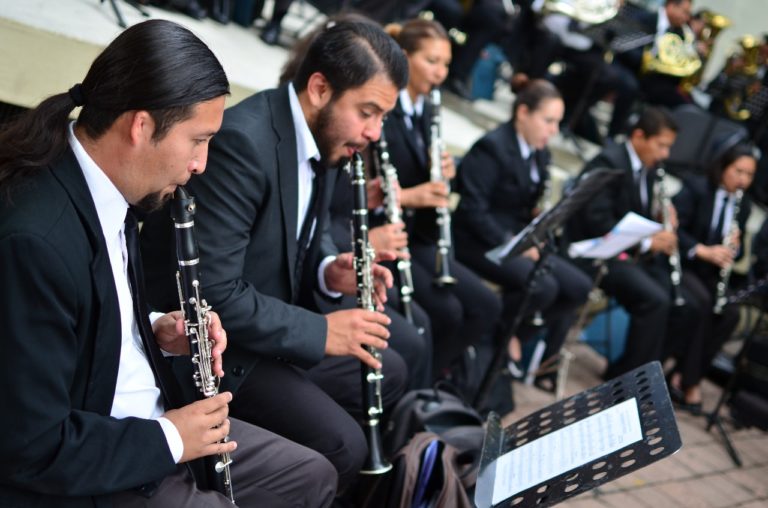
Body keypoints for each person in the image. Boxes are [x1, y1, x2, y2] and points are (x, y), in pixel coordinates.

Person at [0, 19, 335, 507]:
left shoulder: (112, 186)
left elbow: (86, 313)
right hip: (100, 465)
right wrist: (173, 438)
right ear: (140, 127)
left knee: (313, 474)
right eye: (197, 140)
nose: (201, 163)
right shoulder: (36, 242)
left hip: (150, 421)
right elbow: (31, 446)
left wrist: (156, 327)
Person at [140, 19, 409, 493]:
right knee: (344, 447)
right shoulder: (245, 142)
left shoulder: (323, 136)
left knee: (392, 368)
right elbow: (217, 291)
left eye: (383, 117)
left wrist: (330, 269)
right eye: (368, 112)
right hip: (221, 347)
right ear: (321, 88)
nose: (373, 132)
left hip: (269, 320)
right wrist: (321, 330)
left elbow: (308, 227)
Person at [383, 18, 503, 404]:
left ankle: (432, 380)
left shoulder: (425, 110)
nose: (441, 72)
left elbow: (424, 181)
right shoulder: (385, 109)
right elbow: (375, 185)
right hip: (385, 233)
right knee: (447, 312)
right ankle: (414, 395)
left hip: (417, 233)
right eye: (432, 61)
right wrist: (416, 195)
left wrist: (442, 172)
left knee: (486, 304)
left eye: (446, 64)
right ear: (405, 58)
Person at [454, 79, 592, 385]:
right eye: (548, 121)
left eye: (557, 122)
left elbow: (527, 206)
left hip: (515, 237)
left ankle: (511, 332)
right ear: (523, 112)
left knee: (579, 286)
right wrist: (514, 243)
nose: (554, 131)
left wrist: (539, 222)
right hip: (477, 239)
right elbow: (472, 212)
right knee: (543, 287)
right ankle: (499, 339)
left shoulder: (539, 152)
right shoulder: (492, 147)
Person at [565, 107, 689, 380]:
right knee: (654, 300)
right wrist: (648, 243)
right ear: (639, 136)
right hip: (597, 252)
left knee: (683, 303)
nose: (665, 154)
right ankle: (626, 381)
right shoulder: (609, 162)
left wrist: (660, 217)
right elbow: (597, 220)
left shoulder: (648, 168)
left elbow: (637, 214)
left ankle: (640, 374)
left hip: (628, 253)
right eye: (661, 145)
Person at [671, 141, 757, 412]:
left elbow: (736, 255)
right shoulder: (697, 188)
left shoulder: (744, 207)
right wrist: (702, 251)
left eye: (749, 174)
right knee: (706, 304)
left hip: (711, 272)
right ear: (723, 168)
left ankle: (683, 373)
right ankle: (689, 382)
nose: (743, 180)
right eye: (738, 171)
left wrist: (736, 245)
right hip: (686, 264)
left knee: (730, 314)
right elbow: (676, 230)